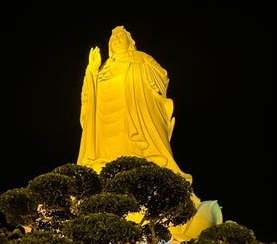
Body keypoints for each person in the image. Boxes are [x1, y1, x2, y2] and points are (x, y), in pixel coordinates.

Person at [77, 25, 192, 184]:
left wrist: (138, 68)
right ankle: (104, 163)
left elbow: (162, 77)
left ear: (130, 42)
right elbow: (88, 97)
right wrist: (91, 71)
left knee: (144, 153)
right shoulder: (103, 67)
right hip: (105, 125)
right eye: (113, 38)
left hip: (134, 115)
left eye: (121, 36)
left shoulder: (140, 57)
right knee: (99, 164)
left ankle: (143, 158)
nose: (117, 39)